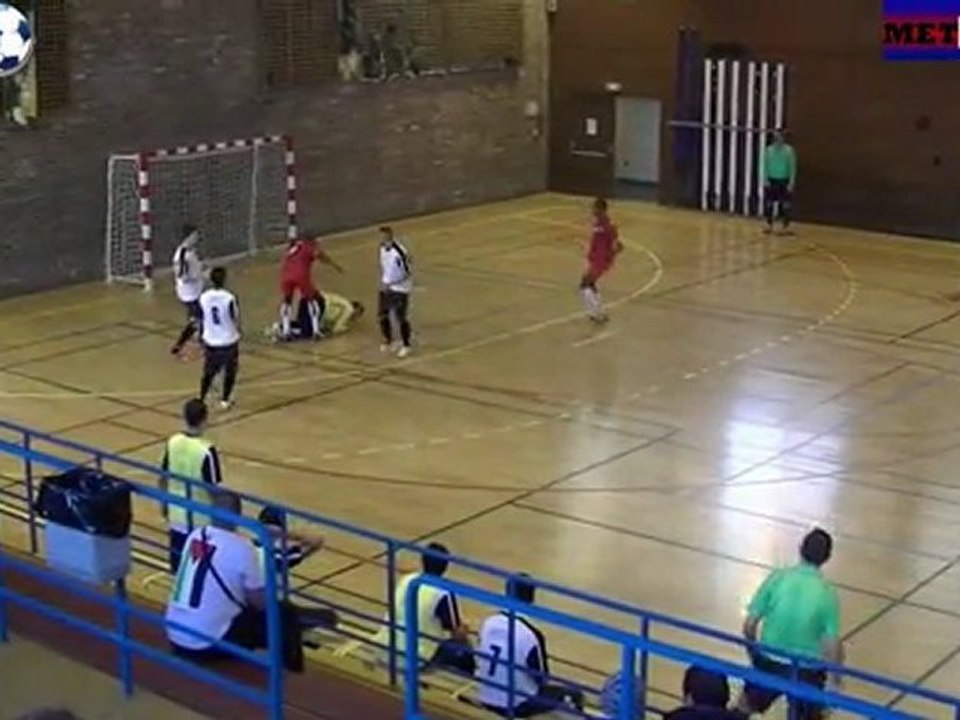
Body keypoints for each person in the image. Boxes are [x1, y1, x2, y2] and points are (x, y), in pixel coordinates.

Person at [165, 490, 307, 672]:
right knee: (284, 614)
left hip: (174, 633)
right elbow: (261, 603)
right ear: (238, 517)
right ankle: (289, 670)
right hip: (204, 644)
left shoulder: (195, 535)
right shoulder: (242, 548)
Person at [737, 528, 843, 720]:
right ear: (827, 557)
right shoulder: (827, 594)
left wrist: (755, 655)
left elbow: (749, 625)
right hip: (807, 670)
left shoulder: (777, 578)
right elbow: (832, 645)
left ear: (800, 548)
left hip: (769, 660)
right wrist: (835, 682)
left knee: (743, 708)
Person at [476, 574, 584, 718]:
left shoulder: (488, 622)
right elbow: (542, 678)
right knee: (574, 694)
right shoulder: (530, 634)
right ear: (532, 598)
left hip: (485, 695)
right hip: (516, 704)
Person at [373, 542, 475, 675]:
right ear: (446, 566)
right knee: (463, 645)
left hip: (384, 646)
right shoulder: (444, 591)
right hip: (413, 657)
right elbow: (457, 632)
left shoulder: (407, 579)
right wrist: (465, 629)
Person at [159, 398, 223, 572]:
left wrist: (163, 504)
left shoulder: (173, 442)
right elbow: (215, 490)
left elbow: (163, 476)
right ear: (205, 419)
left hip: (176, 516)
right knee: (198, 572)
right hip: (201, 523)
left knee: (178, 570)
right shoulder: (206, 451)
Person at [279, 234, 343, 341]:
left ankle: (286, 331)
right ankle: (316, 331)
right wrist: (334, 265)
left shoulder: (293, 247)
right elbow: (320, 255)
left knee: (287, 301)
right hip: (300, 275)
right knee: (311, 300)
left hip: (286, 275)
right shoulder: (308, 247)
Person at [198, 266, 241, 410]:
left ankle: (202, 397)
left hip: (211, 340)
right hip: (228, 340)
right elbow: (235, 317)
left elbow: (201, 316)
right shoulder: (229, 298)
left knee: (208, 372)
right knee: (230, 371)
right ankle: (225, 399)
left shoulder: (204, 297)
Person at [580, 197, 622, 324]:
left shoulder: (609, 226)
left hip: (600, 260)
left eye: (595, 207)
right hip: (595, 259)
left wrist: (609, 257)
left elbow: (617, 245)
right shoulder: (598, 224)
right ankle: (598, 312)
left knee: (585, 284)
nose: (593, 210)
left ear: (602, 209)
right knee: (590, 284)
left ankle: (597, 313)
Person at [265, 291, 365, 343]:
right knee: (307, 333)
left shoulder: (342, 302)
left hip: (311, 299)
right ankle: (282, 333)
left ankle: (278, 327)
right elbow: (336, 329)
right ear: (356, 310)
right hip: (320, 304)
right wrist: (347, 329)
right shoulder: (348, 309)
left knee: (303, 324)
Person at [378, 226, 414, 357]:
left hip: (400, 288)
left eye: (385, 236)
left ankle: (406, 344)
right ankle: (388, 340)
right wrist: (384, 282)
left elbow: (407, 271)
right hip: (386, 286)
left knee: (400, 317)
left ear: (390, 236)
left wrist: (391, 282)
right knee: (382, 314)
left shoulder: (399, 252)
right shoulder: (382, 249)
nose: (382, 239)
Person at [169, 224, 204, 357]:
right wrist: (199, 276)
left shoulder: (191, 251)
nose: (197, 238)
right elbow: (182, 275)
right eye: (195, 235)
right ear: (189, 236)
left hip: (196, 291)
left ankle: (201, 340)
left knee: (199, 318)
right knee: (196, 320)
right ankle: (178, 345)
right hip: (189, 293)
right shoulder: (181, 255)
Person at [763, 130, 797, 236]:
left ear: (783, 138)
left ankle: (785, 227)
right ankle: (769, 225)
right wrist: (765, 179)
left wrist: (791, 182)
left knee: (785, 204)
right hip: (772, 179)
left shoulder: (789, 151)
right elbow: (764, 165)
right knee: (769, 203)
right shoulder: (768, 150)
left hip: (784, 180)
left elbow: (792, 167)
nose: (778, 140)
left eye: (780, 137)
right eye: (776, 137)